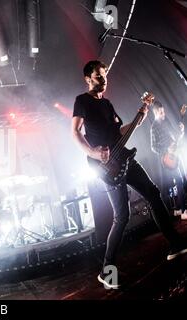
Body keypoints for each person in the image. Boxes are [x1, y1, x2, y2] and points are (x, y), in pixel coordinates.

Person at [72, 60, 187, 289]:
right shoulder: (82, 101)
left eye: (104, 75)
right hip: (106, 166)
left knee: (153, 193)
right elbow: (75, 132)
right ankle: (108, 273)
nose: (103, 79)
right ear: (88, 79)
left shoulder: (107, 104)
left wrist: (141, 113)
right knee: (121, 217)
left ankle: (175, 244)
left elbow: (120, 132)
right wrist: (93, 153)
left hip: (124, 158)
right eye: (97, 76)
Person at [150, 101, 187, 219]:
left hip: (176, 154)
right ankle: (184, 211)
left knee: (184, 180)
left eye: (163, 111)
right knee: (180, 182)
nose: (163, 114)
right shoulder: (153, 128)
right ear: (155, 112)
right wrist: (167, 149)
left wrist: (181, 125)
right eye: (161, 112)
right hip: (168, 159)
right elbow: (153, 147)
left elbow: (175, 133)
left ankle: (178, 209)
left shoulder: (166, 121)